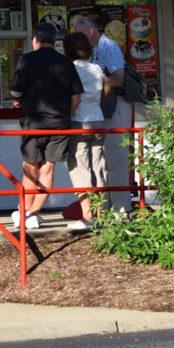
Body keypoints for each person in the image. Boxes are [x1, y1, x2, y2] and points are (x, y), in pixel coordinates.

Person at [9, 23, 83, 229]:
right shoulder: (66, 63)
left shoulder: (27, 59)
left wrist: (17, 102)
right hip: (59, 124)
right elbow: (76, 97)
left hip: (33, 123)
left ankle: (24, 212)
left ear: (35, 40)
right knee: (48, 169)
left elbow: (16, 93)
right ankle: (33, 214)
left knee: (29, 168)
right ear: (54, 40)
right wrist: (65, 115)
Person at [72, 16, 132, 216]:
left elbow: (119, 79)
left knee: (115, 157)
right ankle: (103, 208)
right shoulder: (91, 52)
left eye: (79, 34)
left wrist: (94, 82)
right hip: (98, 110)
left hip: (113, 106)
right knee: (100, 161)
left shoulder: (108, 46)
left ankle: (122, 207)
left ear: (90, 32)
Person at [63, 31, 107, 233]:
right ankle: (101, 212)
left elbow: (73, 98)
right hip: (98, 118)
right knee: (99, 165)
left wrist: (65, 118)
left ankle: (87, 215)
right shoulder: (97, 68)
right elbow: (105, 91)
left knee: (79, 166)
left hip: (78, 120)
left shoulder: (70, 69)